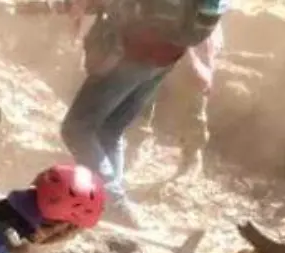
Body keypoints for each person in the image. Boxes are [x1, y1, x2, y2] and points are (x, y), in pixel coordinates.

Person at [60, 0, 226, 224]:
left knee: (77, 129)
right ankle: (108, 207)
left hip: (131, 53)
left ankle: (111, 201)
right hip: (165, 59)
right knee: (109, 129)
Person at [127, 23, 221, 180]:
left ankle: (192, 156)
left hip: (196, 29)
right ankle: (134, 143)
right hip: (157, 24)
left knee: (194, 90)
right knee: (143, 87)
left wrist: (196, 62)